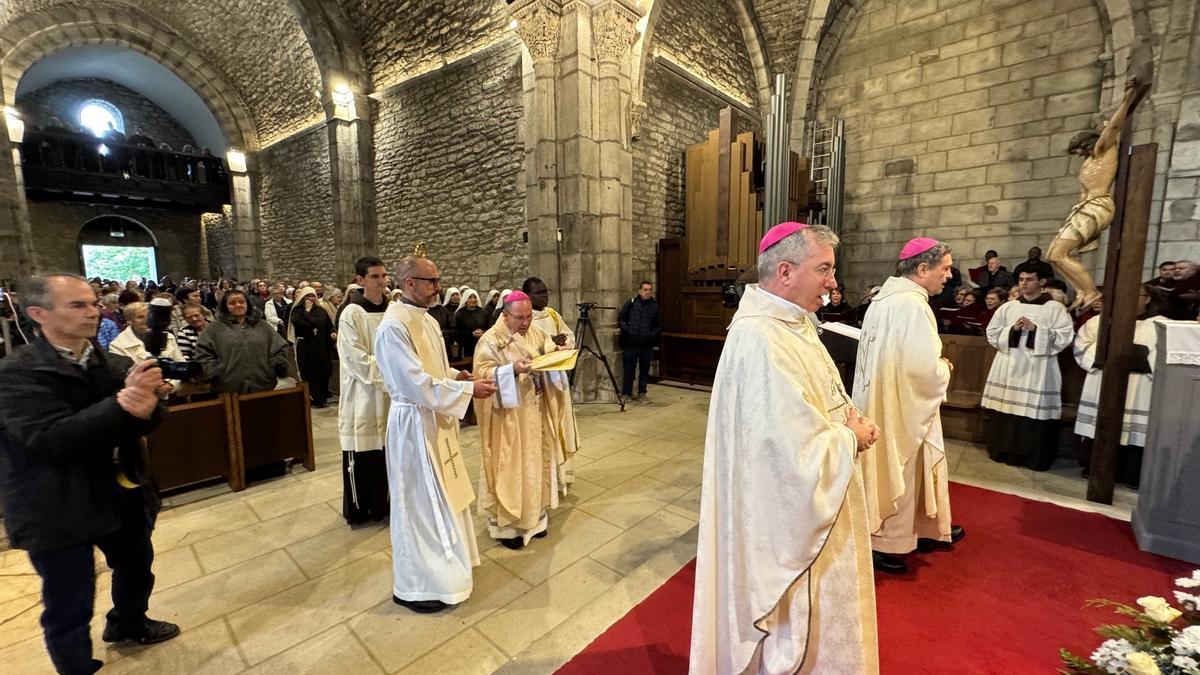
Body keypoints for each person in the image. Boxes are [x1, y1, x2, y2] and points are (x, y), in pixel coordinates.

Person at [691, 222, 879, 674]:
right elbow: (782, 452)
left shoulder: (792, 324)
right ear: (786, 270)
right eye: (825, 269)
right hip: (793, 518)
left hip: (823, 499)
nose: (834, 282)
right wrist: (850, 438)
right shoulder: (761, 336)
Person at [0, 274, 180, 674]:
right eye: (77, 305)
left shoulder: (111, 362)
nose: (93, 312)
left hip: (119, 489)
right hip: (56, 498)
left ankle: (128, 623)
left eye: (94, 303)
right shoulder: (15, 373)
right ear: (37, 314)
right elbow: (48, 438)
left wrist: (149, 406)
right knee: (71, 595)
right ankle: (76, 665)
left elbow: (141, 423)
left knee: (136, 566)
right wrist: (123, 405)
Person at [375, 256, 497, 613]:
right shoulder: (393, 326)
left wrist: (460, 379)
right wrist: (467, 394)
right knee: (419, 503)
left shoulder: (425, 320)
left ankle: (449, 570)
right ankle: (418, 585)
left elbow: (434, 369)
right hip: (413, 423)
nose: (438, 287)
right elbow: (412, 382)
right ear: (409, 282)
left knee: (444, 496)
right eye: (431, 281)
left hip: (435, 418)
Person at [853, 238, 964, 576]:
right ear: (921, 269)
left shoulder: (883, 300)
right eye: (944, 268)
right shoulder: (913, 305)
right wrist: (944, 367)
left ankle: (921, 529)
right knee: (900, 467)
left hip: (884, 399)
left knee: (895, 467)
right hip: (901, 404)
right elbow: (920, 369)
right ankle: (885, 541)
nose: (948, 276)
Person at [473, 291, 570, 549]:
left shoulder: (536, 332)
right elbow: (481, 374)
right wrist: (511, 371)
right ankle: (509, 528)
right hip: (508, 416)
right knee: (511, 466)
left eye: (528, 317)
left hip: (535, 409)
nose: (526, 323)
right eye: (520, 318)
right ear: (505, 315)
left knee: (536, 462)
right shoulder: (491, 341)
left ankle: (536, 520)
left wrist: (557, 353)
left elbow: (547, 351)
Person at [1046, 76, 1140, 310]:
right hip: (1084, 209)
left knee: (1059, 254)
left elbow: (1114, 127)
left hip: (1097, 205)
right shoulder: (1088, 162)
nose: (1077, 154)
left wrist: (1127, 100)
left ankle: (1091, 292)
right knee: (1053, 255)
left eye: (1077, 149)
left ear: (1086, 143)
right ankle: (1081, 290)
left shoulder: (1102, 150)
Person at [981, 269, 1074, 470]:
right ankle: (1003, 451)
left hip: (1038, 368)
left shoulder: (1055, 308)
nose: (1024, 283)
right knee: (1006, 411)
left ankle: (1033, 458)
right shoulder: (1008, 307)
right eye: (1021, 280)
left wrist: (1036, 331)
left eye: (1029, 279)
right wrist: (1012, 330)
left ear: (1041, 281)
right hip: (1009, 365)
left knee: (1033, 414)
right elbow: (992, 332)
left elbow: (1065, 336)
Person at [1073, 283, 1162, 488]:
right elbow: (1081, 348)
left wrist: (1134, 354)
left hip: (1139, 384)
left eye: (1135, 295)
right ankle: (1096, 467)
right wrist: (1106, 351)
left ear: (1147, 299)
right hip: (1103, 381)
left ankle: (1130, 473)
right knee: (1102, 424)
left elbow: (1163, 356)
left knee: (1133, 430)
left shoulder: (1160, 325)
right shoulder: (1099, 322)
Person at [337, 256, 391, 525]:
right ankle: (361, 509)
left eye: (384, 275)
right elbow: (354, 359)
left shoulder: (393, 309)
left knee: (388, 452)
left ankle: (386, 505)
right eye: (375, 276)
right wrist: (393, 373)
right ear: (360, 280)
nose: (382, 281)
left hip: (391, 394)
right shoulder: (351, 313)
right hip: (363, 395)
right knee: (364, 452)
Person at [525, 276, 581, 494]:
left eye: (546, 291)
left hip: (557, 377)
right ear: (528, 295)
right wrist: (549, 346)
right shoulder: (524, 319)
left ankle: (561, 476)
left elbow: (569, 335)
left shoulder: (553, 314)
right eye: (539, 292)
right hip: (539, 382)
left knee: (561, 424)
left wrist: (563, 342)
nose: (545, 295)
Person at [193, 289, 289, 394]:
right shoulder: (214, 328)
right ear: (225, 306)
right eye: (232, 303)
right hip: (227, 387)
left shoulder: (263, 325)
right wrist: (217, 370)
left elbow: (279, 348)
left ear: (247, 304)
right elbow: (203, 353)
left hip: (264, 384)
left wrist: (273, 367)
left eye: (242, 302)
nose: (238, 305)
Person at [108, 300, 188, 397]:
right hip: (140, 396)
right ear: (129, 320)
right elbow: (126, 376)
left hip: (171, 393)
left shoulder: (168, 336)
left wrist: (170, 384)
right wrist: (156, 387)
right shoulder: (118, 344)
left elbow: (181, 363)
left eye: (149, 316)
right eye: (140, 317)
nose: (146, 320)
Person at [289, 287, 335, 408]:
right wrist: (307, 312)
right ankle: (314, 398)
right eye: (307, 296)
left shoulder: (320, 310)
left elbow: (326, 323)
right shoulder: (297, 311)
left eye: (312, 296)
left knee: (325, 370)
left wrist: (332, 332)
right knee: (310, 371)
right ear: (302, 298)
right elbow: (303, 324)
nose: (310, 299)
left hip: (321, 345)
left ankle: (323, 395)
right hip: (306, 345)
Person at [618, 281, 661, 403]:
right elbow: (621, 318)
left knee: (644, 370)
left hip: (646, 345)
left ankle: (642, 393)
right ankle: (626, 393)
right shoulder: (631, 303)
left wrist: (651, 334)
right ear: (640, 291)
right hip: (631, 343)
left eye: (649, 290)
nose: (647, 292)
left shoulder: (654, 306)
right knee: (629, 370)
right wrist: (627, 330)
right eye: (645, 289)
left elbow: (659, 325)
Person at [454, 289, 490, 360]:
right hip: (467, 347)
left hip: (482, 344)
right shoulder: (459, 314)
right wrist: (471, 333)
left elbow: (489, 327)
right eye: (470, 297)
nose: (473, 300)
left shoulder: (483, 312)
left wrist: (484, 332)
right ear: (465, 299)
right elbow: (456, 332)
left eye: (475, 297)